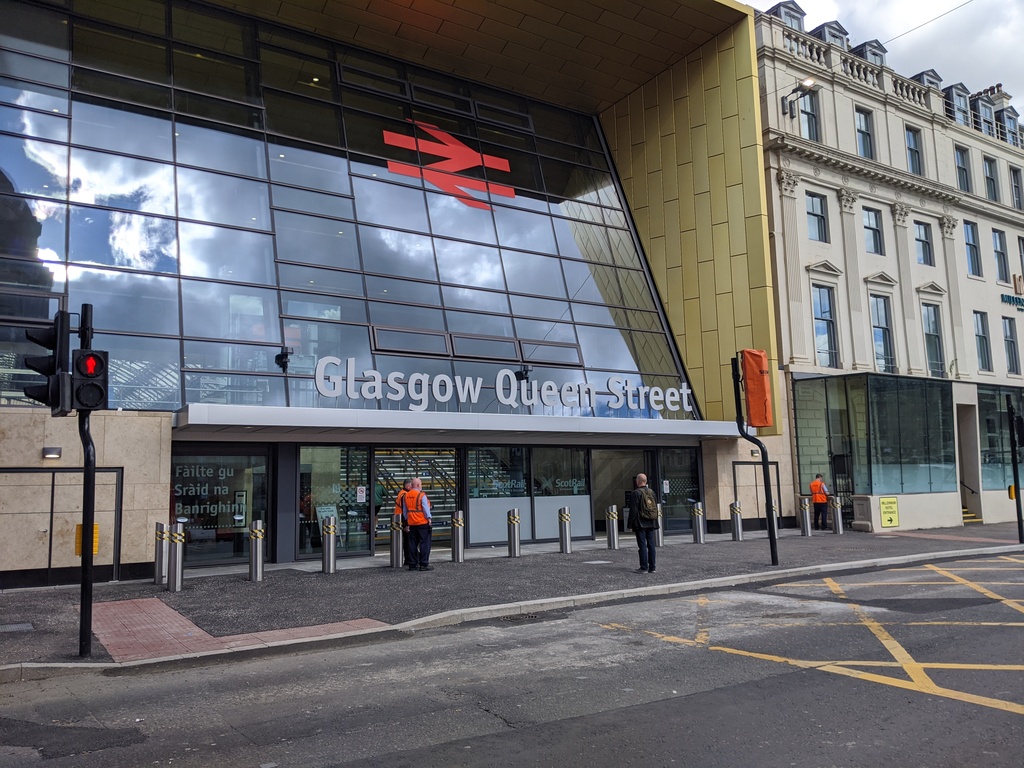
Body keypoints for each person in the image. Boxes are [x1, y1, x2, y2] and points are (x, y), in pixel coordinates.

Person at [627, 473, 659, 573]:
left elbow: (633, 510)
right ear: (645, 481)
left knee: (642, 545)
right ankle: (652, 567)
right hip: (651, 522)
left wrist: (630, 524)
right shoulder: (652, 492)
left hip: (640, 523)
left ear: (638, 481)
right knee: (651, 545)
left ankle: (644, 567)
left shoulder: (636, 493)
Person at [401, 477, 433, 571]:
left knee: (412, 544)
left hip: (411, 523)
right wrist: (429, 518)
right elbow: (425, 509)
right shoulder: (421, 495)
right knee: (424, 543)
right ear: (418, 485)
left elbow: (405, 511)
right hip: (422, 522)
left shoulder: (405, 496)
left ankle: (412, 564)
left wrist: (407, 521)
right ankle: (423, 564)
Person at [393, 478, 413, 567]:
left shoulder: (401, 493)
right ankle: (408, 559)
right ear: (408, 486)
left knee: (406, 541)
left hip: (399, 519)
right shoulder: (405, 495)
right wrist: (407, 524)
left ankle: (408, 558)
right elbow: (406, 510)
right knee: (408, 541)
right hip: (403, 520)